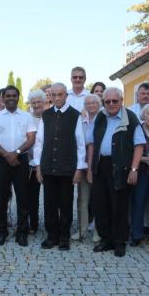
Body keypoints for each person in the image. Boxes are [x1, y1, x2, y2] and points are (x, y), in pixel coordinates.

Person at [86, 87, 146, 257]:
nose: (111, 104)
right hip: (100, 166)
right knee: (101, 205)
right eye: (107, 101)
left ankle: (119, 242)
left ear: (121, 100)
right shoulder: (100, 117)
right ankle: (106, 240)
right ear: (103, 102)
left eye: (115, 101)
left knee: (119, 206)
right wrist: (90, 168)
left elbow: (139, 145)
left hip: (121, 168)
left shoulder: (131, 118)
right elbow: (91, 144)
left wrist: (134, 169)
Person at [33, 83, 87, 250]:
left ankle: (64, 236)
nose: (57, 98)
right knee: (49, 204)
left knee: (65, 203)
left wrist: (79, 169)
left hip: (67, 168)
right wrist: (38, 167)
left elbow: (80, 144)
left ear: (66, 95)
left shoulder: (75, 115)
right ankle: (52, 235)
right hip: (48, 167)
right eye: (54, 95)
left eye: (60, 95)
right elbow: (39, 143)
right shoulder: (46, 115)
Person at [0, 85, 36, 246]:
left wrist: (16, 152)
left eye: (14, 95)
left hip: (20, 160)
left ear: (18, 97)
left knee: (23, 197)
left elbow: (31, 139)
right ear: (3, 98)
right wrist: (8, 155)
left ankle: (22, 232)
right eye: (7, 96)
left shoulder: (27, 116)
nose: (10, 98)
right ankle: (1, 232)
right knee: (1, 197)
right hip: (1, 160)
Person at [129, 104, 149, 246]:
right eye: (148, 114)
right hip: (139, 171)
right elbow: (131, 151)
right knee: (138, 203)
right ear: (143, 115)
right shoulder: (136, 129)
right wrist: (144, 159)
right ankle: (136, 234)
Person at [76, 94, 102, 243]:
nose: (91, 105)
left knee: (98, 199)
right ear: (84, 105)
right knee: (82, 199)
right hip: (83, 162)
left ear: (99, 104)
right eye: (88, 103)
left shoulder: (103, 119)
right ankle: (82, 229)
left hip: (98, 164)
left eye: (94, 102)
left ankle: (98, 230)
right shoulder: (81, 120)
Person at [26, 89, 47, 234]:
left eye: (39, 101)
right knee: (32, 196)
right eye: (33, 102)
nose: (36, 104)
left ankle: (51, 224)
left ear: (44, 102)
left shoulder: (50, 117)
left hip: (48, 163)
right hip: (30, 162)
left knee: (51, 195)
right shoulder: (27, 118)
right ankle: (33, 224)